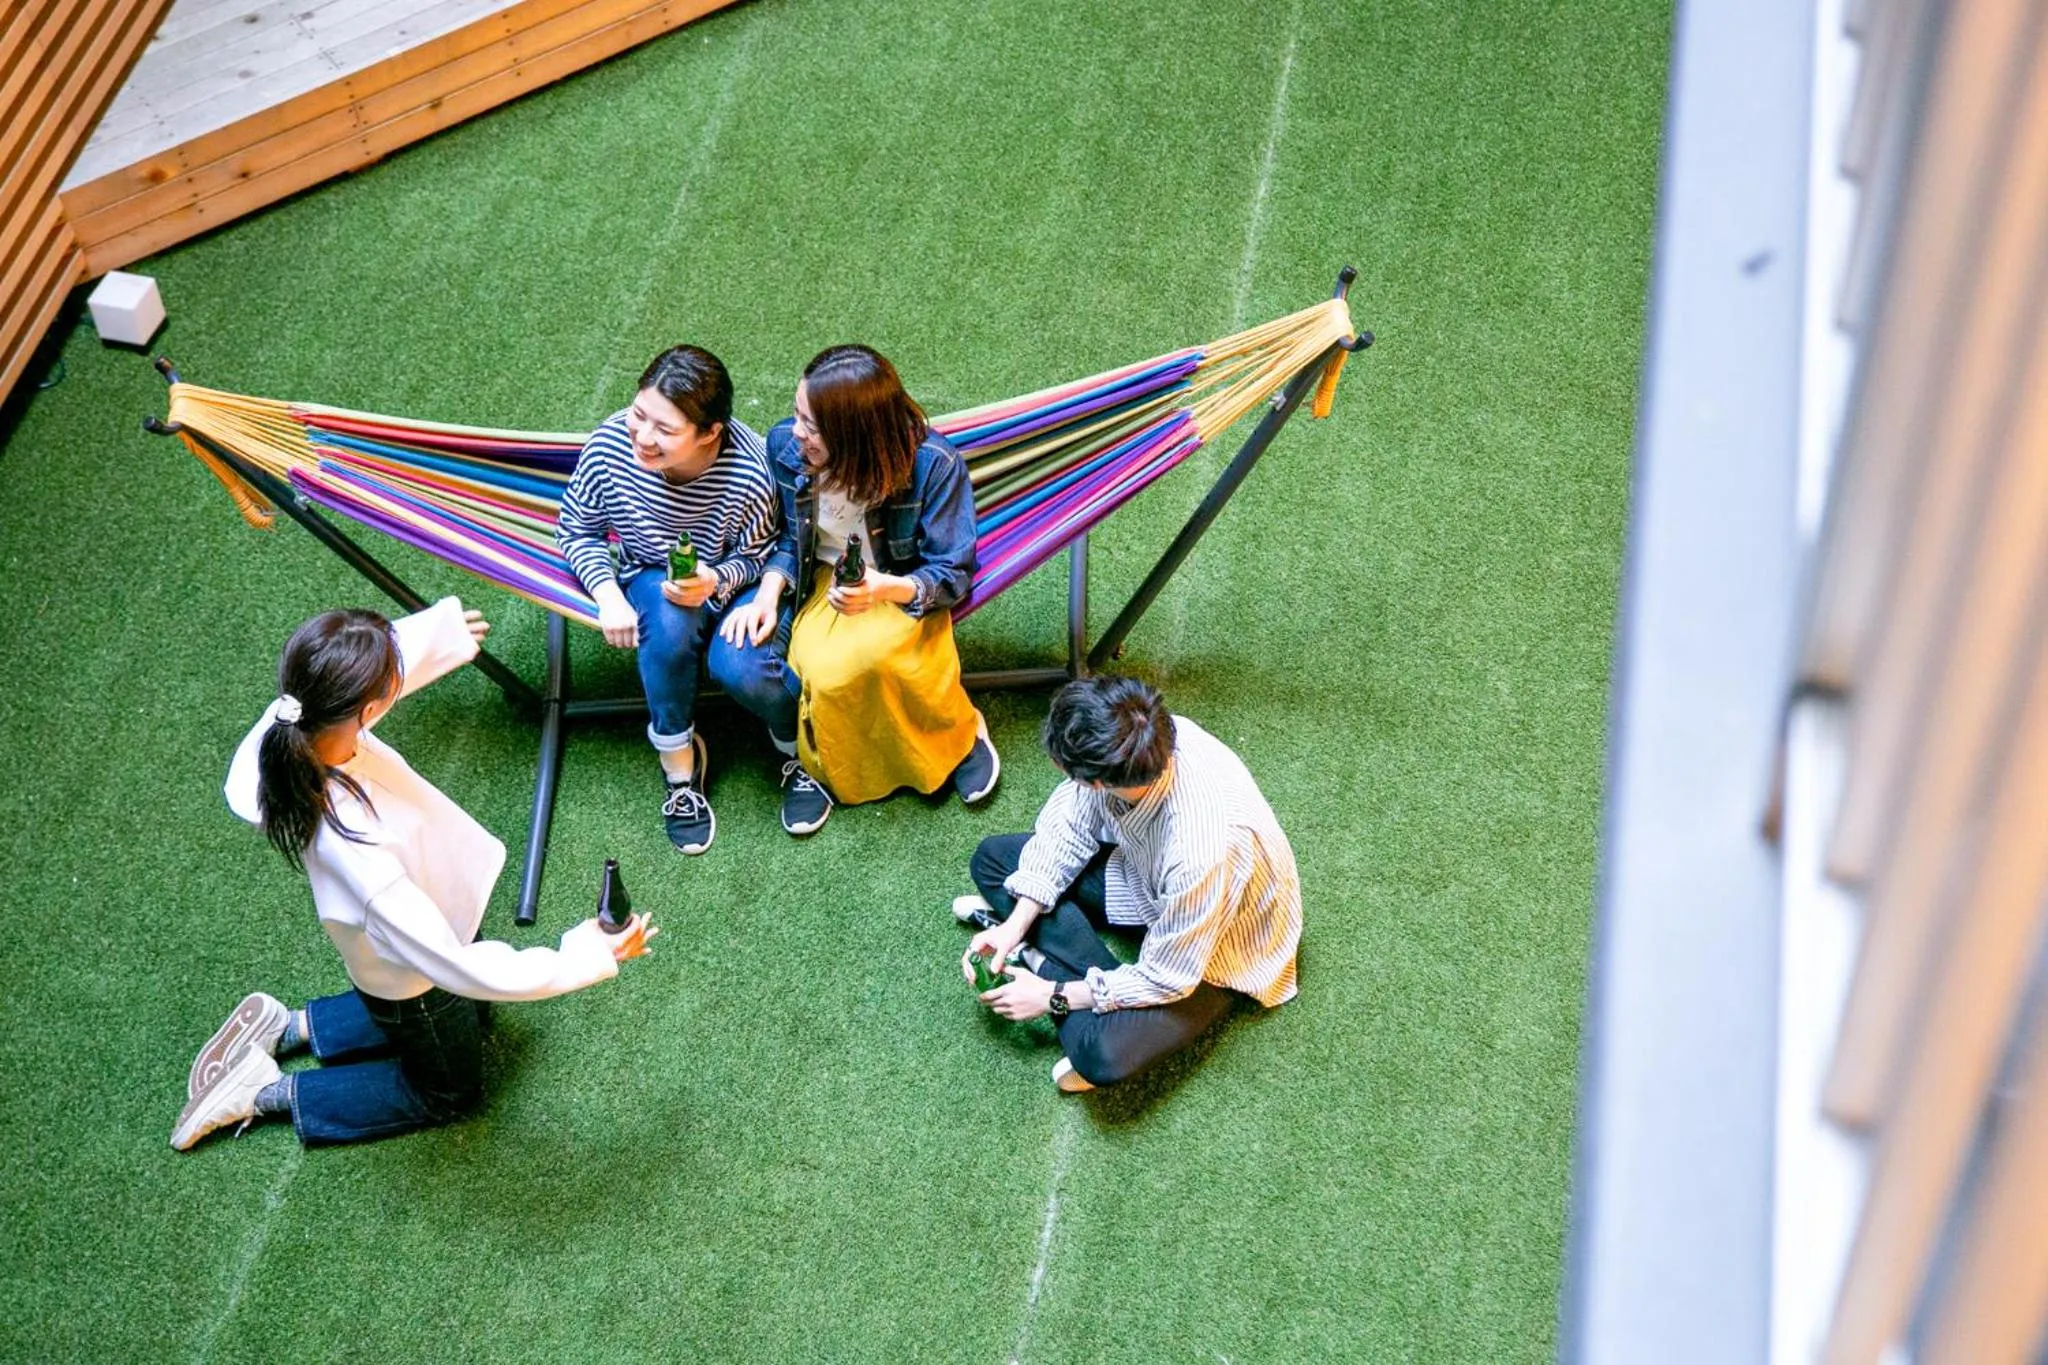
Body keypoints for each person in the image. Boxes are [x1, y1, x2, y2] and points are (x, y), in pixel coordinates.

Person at [171, 598, 656, 1151]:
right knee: (449, 1089)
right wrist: (583, 956)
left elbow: (351, 674)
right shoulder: (361, 855)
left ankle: (291, 1028)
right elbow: (453, 967)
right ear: (368, 707)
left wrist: (435, 636)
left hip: (403, 950)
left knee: (464, 1019)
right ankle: (264, 1092)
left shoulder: (289, 725)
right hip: (417, 981)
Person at [956, 675, 1301, 1092]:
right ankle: (1032, 946)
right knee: (993, 860)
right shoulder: (1142, 741)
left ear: (1100, 781)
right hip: (1145, 880)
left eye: (1072, 774)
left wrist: (1051, 996)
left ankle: (1039, 962)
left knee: (1100, 1057)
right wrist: (1015, 925)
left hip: (1217, 949)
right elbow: (1071, 824)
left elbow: (1169, 977)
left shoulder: (1199, 852)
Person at [727, 344, 997, 833]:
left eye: (813, 425)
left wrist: (884, 589)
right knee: (827, 674)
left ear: (855, 436)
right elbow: (790, 536)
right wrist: (770, 590)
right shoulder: (785, 449)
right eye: (797, 414)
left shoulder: (933, 465)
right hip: (824, 581)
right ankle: (820, 767)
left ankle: (959, 737)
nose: (797, 433)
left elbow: (952, 572)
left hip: (898, 581)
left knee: (883, 658)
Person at [557, 344, 793, 854]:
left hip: (730, 580)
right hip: (649, 572)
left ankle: (792, 742)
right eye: (640, 415)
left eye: (664, 430)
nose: (642, 436)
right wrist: (608, 594)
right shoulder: (609, 446)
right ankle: (680, 767)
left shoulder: (750, 473)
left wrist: (720, 580)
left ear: (710, 432)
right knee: (666, 629)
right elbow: (577, 529)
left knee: (746, 666)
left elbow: (762, 552)